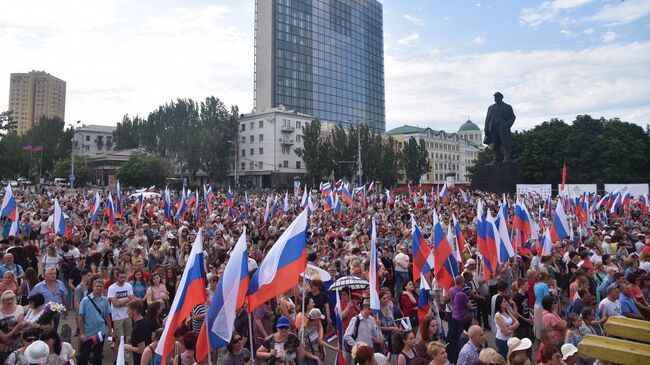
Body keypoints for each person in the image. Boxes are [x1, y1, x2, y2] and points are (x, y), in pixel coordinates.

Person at [78, 278, 112, 365]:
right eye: (97, 286)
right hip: (88, 333)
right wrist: (82, 333)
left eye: (101, 286)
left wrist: (110, 329)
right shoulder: (85, 300)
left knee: (98, 354)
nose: (99, 288)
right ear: (93, 287)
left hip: (100, 332)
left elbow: (107, 315)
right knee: (84, 355)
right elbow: (80, 317)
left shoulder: (105, 300)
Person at [107, 269, 135, 353]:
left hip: (128, 315)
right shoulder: (112, 288)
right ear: (117, 277)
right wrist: (127, 299)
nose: (123, 279)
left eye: (124, 277)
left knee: (128, 337)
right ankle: (117, 358)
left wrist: (121, 303)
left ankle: (125, 356)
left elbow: (132, 300)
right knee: (120, 338)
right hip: (117, 316)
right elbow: (116, 304)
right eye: (121, 277)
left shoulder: (128, 286)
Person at [125, 299, 151, 365]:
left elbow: (141, 349)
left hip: (140, 360)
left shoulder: (137, 328)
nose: (127, 312)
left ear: (134, 311)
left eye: (128, 310)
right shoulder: (145, 320)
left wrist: (129, 347)